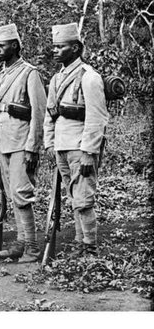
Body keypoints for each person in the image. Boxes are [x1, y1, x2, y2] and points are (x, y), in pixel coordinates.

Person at [44, 23, 109, 256]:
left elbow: (96, 118)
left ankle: (89, 248)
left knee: (83, 198)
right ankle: (80, 243)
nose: (55, 51)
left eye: (60, 47)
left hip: (80, 147)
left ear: (76, 48)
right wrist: (49, 144)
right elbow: (50, 115)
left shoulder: (89, 77)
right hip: (62, 146)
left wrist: (88, 152)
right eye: (55, 46)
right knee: (73, 197)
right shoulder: (56, 78)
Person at [0, 23, 46, 263]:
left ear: (14, 45)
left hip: (21, 141)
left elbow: (39, 112)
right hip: (3, 140)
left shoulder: (29, 72)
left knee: (22, 194)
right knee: (12, 195)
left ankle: (32, 247)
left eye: (1, 45)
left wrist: (33, 147)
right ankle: (21, 242)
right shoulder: (1, 73)